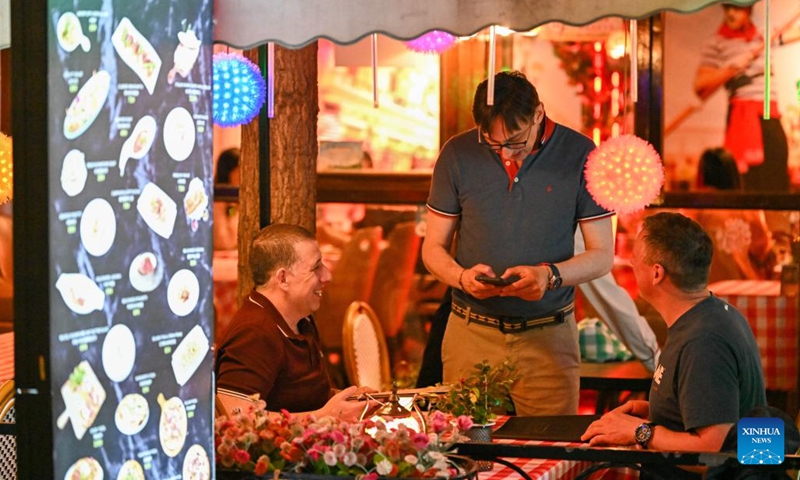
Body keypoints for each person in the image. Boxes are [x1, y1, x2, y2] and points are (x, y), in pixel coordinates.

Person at [422, 70, 615, 416]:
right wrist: (461, 278)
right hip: (470, 333)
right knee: (465, 452)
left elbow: (602, 256)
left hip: (549, 336)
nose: (506, 153)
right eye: (493, 143)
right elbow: (432, 248)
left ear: (538, 114)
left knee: (551, 453)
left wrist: (549, 276)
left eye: (515, 140)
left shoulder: (582, 153)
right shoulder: (457, 153)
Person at [581, 213, 766, 461]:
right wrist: (656, 410)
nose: (632, 263)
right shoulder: (713, 314)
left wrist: (639, 432)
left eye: (635, 258)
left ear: (657, 274)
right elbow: (715, 409)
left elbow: (713, 445)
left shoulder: (704, 342)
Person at [215, 223, 372, 421]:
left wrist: (350, 400)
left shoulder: (302, 321)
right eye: (316, 267)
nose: (327, 275)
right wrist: (325, 416)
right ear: (282, 278)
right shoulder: (255, 332)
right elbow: (234, 418)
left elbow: (303, 399)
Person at [694, 4, 789, 191]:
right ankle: (746, 220)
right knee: (746, 182)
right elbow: (700, 86)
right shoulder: (717, 42)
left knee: (777, 179)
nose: (730, 13)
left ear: (748, 9)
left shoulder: (764, 35)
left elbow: (793, 33)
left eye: (737, 8)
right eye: (727, 7)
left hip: (770, 115)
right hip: (742, 118)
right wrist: (731, 66)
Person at [694, 147, 775, 282]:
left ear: (702, 176)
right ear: (734, 174)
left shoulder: (696, 206)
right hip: (747, 290)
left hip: (704, 289)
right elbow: (764, 251)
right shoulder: (748, 208)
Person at [214, 148, 241, 251]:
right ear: (228, 171)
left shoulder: (241, 198)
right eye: (239, 169)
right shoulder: (218, 200)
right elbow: (223, 242)